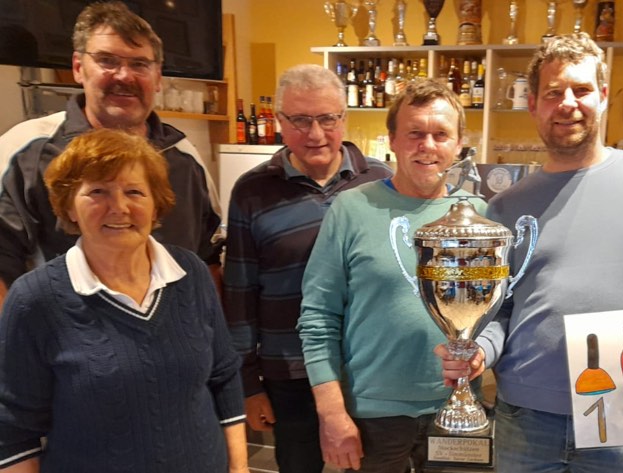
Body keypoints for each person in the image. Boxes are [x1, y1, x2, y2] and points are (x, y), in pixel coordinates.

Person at [437, 33, 623, 472]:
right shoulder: (506, 207)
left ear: (603, 96)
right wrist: (479, 349)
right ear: (533, 104)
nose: (568, 104)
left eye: (581, 89)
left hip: (621, 404)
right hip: (525, 414)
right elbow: (500, 308)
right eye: (553, 92)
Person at [0, 128, 247, 473]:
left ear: (155, 205)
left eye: (134, 192)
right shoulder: (35, 299)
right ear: (69, 206)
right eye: (97, 192)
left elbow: (223, 375)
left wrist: (239, 468)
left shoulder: (189, 272)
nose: (118, 207)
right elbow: (14, 429)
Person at [297, 79, 486, 472]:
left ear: (459, 145)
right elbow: (318, 317)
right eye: (415, 133)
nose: (427, 146)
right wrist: (331, 413)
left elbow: (498, 310)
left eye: (441, 135)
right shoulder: (351, 209)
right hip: (372, 414)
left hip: (457, 408)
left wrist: (483, 352)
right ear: (393, 140)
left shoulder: (479, 216)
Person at [223, 63, 392, 473]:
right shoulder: (251, 190)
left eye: (327, 118)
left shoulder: (381, 181)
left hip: (369, 366)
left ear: (343, 118)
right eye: (300, 120)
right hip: (289, 369)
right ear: (280, 121)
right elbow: (240, 294)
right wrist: (248, 384)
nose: (315, 133)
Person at [0, 1, 221, 308]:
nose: (124, 76)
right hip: (65, 336)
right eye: (107, 60)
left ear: (158, 77)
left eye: (139, 64)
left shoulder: (184, 156)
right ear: (78, 67)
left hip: (175, 334)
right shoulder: (25, 151)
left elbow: (208, 259)